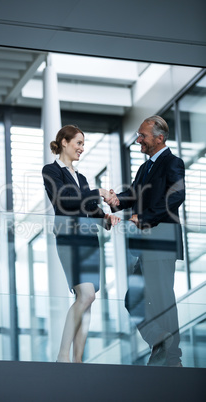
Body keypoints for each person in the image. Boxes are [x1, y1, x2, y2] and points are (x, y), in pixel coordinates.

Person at [109, 115, 185, 367]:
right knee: (134, 299)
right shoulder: (145, 168)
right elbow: (133, 194)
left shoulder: (172, 163)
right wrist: (117, 200)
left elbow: (175, 197)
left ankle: (173, 358)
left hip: (161, 239)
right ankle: (159, 340)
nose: (138, 139)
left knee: (163, 298)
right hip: (145, 243)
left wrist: (143, 218)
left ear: (159, 138)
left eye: (143, 135)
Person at [42, 125, 120, 363]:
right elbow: (65, 200)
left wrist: (105, 218)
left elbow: (87, 207)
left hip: (88, 239)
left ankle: (77, 360)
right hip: (69, 237)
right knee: (85, 295)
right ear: (64, 142)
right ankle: (63, 355)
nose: (81, 149)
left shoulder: (82, 177)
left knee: (88, 300)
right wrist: (98, 191)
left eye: (83, 144)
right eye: (78, 143)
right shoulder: (51, 171)